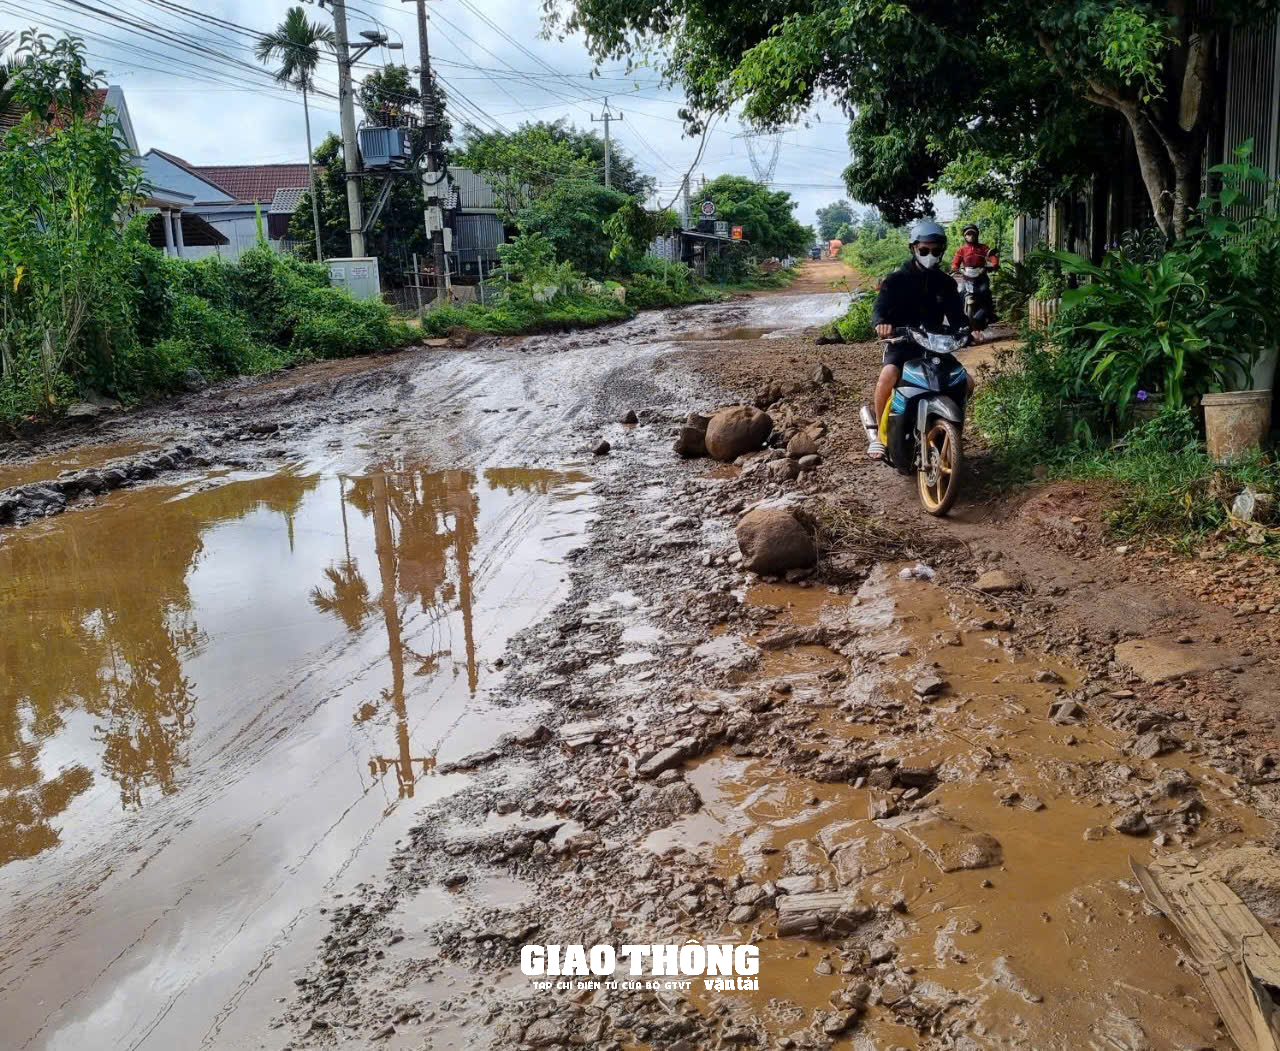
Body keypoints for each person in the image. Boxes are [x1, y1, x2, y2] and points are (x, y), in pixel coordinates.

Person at [868, 219, 981, 459]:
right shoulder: (896, 280)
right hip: (902, 343)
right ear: (914, 249)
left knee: (967, 382)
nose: (931, 255)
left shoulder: (947, 283)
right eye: (924, 250)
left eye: (936, 250)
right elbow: (880, 307)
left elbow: (957, 317)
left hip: (934, 344)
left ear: (942, 251)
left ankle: (949, 424)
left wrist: (968, 330)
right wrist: (882, 324)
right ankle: (880, 434)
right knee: (888, 376)